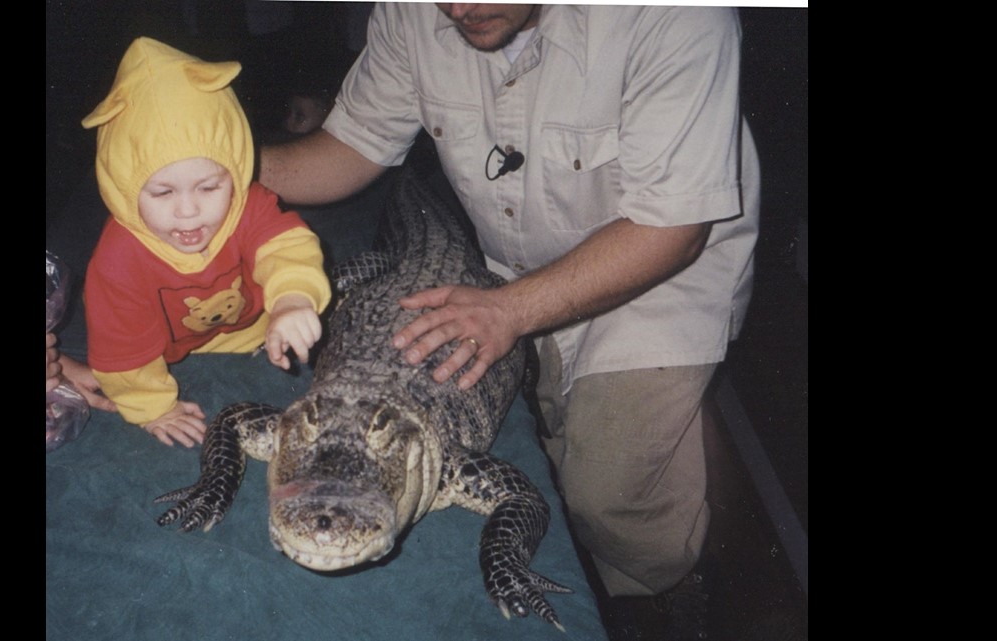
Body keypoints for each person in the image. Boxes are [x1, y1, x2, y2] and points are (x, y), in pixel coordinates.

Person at [258, 4, 759, 638]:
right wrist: (216, 169)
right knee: (551, 440)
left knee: (607, 494)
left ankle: (671, 585)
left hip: (656, 266)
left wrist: (510, 309)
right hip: (511, 262)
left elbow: (674, 229)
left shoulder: (680, 15)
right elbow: (350, 146)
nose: (459, 7)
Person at [81, 37, 332, 448]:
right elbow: (119, 345)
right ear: (122, 187)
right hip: (162, 350)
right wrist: (152, 407)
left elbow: (288, 247)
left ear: (234, 170)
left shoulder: (247, 204)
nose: (188, 212)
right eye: (162, 193)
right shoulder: (118, 258)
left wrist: (292, 298)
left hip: (255, 328)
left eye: (209, 187)